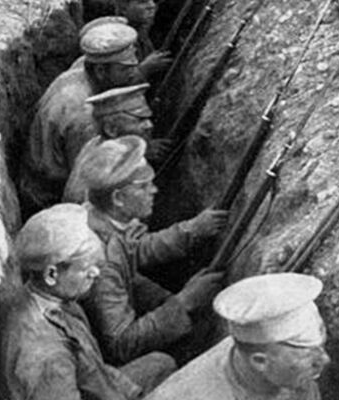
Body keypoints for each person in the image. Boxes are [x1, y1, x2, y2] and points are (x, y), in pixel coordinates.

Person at [75, 135, 228, 366]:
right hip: (105, 366)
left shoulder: (97, 215)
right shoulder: (101, 262)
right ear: (118, 198)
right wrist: (183, 302)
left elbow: (136, 251)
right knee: (162, 363)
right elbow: (121, 346)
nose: (154, 190)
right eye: (144, 186)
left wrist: (192, 230)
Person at [0, 203, 176, 400]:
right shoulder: (48, 358)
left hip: (93, 388)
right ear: (51, 274)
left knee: (161, 364)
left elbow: (91, 367)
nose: (96, 273)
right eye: (86, 268)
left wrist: (130, 392)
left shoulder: (52, 297)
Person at [19, 19, 144, 219]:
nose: (134, 72)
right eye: (125, 69)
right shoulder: (85, 118)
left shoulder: (81, 70)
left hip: (40, 175)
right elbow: (84, 186)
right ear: (101, 71)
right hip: (46, 201)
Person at [146, 272, 331, 400]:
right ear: (260, 361)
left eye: (320, 347)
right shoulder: (197, 394)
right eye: (309, 358)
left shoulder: (277, 365)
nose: (325, 359)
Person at [63, 83, 170, 204]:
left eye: (148, 119)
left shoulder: (97, 144)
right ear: (111, 130)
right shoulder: (105, 165)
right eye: (140, 120)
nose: (149, 125)